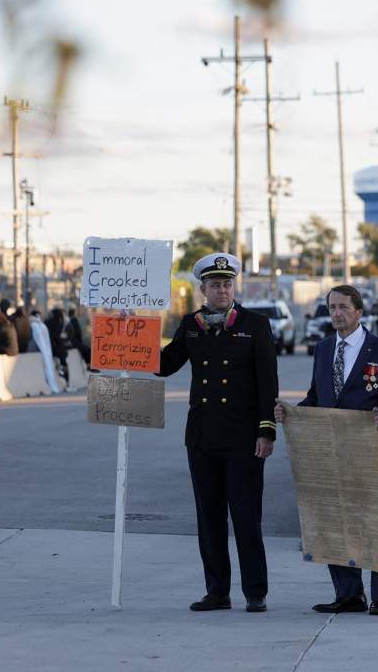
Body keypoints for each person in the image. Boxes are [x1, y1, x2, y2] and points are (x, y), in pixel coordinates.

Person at [157, 253, 278, 614]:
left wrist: (266, 430)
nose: (222, 290)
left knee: (245, 517)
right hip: (203, 438)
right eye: (215, 285)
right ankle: (217, 591)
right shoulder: (191, 324)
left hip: (244, 439)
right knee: (208, 518)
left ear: (233, 287)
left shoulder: (255, 324)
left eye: (227, 284)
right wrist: (131, 339)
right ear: (203, 290)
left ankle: (255, 592)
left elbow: (267, 381)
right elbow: (165, 365)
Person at [275, 284, 378, 616]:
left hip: (370, 450)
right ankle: (348, 594)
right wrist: (291, 413)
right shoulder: (322, 349)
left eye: (343, 307)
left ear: (359, 311)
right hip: (330, 452)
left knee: (374, 521)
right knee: (335, 521)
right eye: (331, 307)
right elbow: (317, 399)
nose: (336, 313)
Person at [47, 308, 70, 382]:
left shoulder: (48, 322)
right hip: (58, 347)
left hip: (52, 347)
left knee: (61, 361)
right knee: (64, 362)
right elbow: (57, 337)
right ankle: (66, 379)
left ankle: (63, 375)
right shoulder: (60, 323)